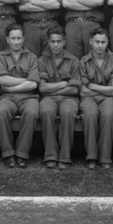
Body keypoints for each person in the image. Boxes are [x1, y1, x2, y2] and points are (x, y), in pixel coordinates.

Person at [0, 23, 40, 168]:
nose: (16, 42)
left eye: (19, 38)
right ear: (7, 39)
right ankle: (8, 154)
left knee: (32, 113)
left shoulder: (31, 57)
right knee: (1, 113)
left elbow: (34, 85)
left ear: (23, 38)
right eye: (13, 38)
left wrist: (11, 86)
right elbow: (2, 80)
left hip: (29, 97)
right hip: (6, 98)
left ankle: (22, 154)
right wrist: (26, 81)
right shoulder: (1, 56)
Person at [38, 26, 81, 170]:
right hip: (48, 98)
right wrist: (63, 84)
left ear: (64, 42)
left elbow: (75, 89)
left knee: (68, 112)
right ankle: (50, 155)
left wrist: (53, 87)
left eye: (59, 41)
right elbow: (42, 88)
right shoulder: (42, 60)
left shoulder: (73, 60)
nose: (56, 45)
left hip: (69, 98)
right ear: (48, 43)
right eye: (52, 41)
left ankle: (65, 156)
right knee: (46, 111)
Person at [79, 27, 113, 169]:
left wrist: (92, 86)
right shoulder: (84, 61)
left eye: (103, 42)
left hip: (107, 99)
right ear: (90, 42)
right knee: (89, 114)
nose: (100, 45)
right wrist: (106, 90)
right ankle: (91, 156)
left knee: (108, 114)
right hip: (89, 98)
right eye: (97, 41)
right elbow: (83, 92)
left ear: (108, 42)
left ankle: (105, 157)